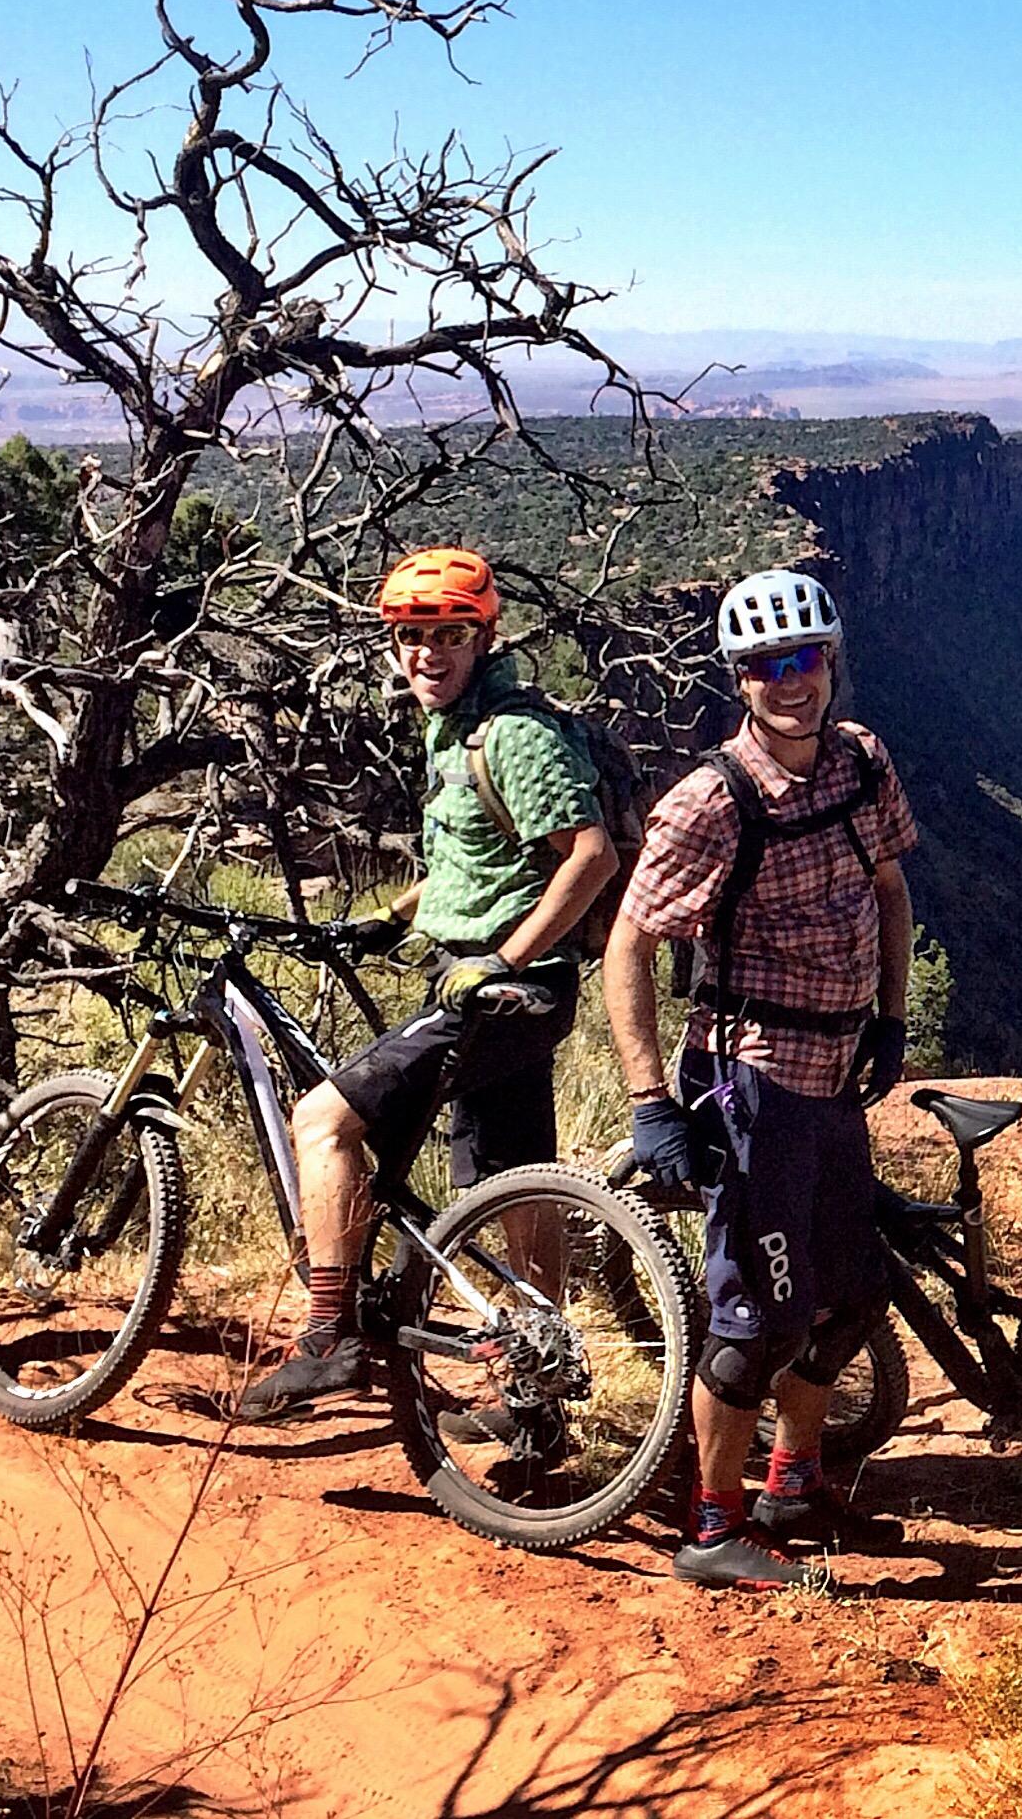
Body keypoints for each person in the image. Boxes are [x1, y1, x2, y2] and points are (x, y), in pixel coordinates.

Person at [240, 546, 619, 1419]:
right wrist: (398, 914)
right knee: (515, 1179)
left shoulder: (513, 735)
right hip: (494, 989)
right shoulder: (451, 729)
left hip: (498, 993)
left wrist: (502, 959)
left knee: (324, 1119)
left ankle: (328, 1336)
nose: (428, 654)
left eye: (450, 633)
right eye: (412, 636)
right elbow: (473, 861)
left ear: (486, 636)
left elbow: (589, 856)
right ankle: (539, 1381)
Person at [603, 568, 917, 1590]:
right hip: (755, 1078)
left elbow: (889, 888)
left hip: (835, 1069)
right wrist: (652, 1101)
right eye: (768, 665)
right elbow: (628, 946)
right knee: (755, 1321)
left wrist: (892, 1015)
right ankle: (711, 1527)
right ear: (741, 680)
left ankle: (794, 1480)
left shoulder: (860, 761)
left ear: (831, 659)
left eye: (806, 657)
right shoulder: (711, 801)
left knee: (855, 1294)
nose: (792, 682)